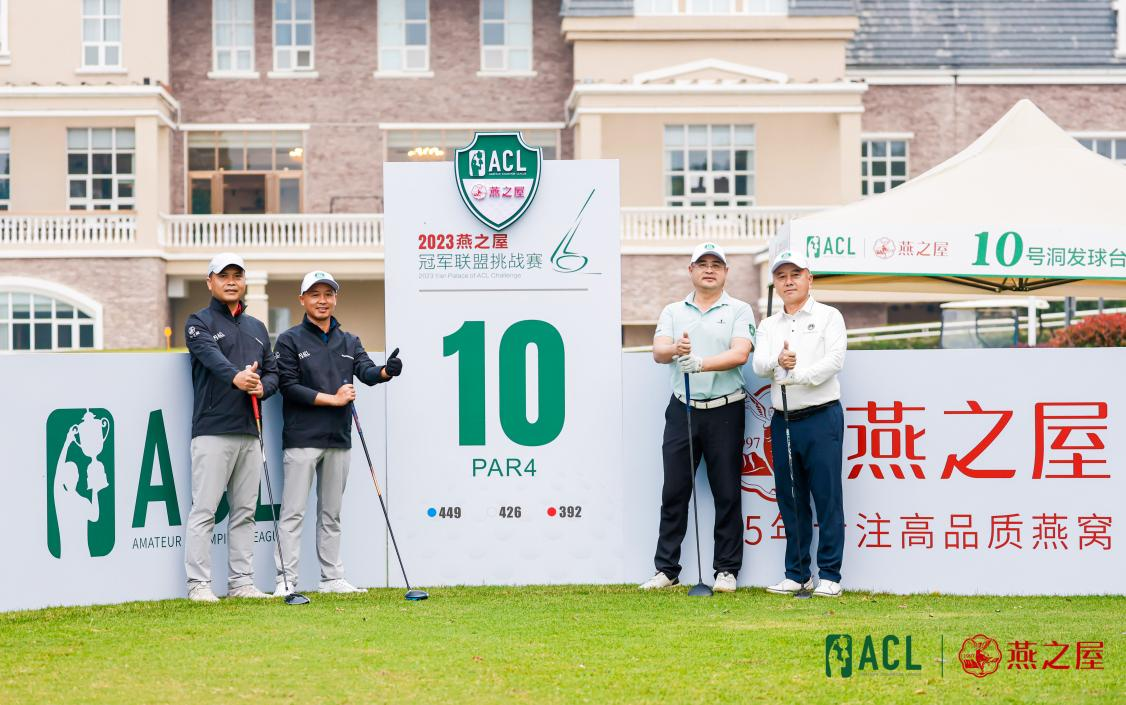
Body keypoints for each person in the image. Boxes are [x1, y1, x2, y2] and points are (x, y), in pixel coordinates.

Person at [273, 271, 403, 596]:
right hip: (302, 438)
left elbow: (367, 372)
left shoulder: (350, 341)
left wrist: (386, 371)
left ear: (335, 299)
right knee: (293, 512)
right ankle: (285, 581)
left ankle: (331, 578)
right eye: (315, 294)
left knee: (331, 514)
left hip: (339, 439)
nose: (322, 300)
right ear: (302, 299)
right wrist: (333, 399)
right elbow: (288, 387)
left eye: (328, 294)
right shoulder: (289, 340)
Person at [640, 242, 756, 593]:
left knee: (726, 492)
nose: (709, 269)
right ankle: (667, 569)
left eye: (715, 264)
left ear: (725, 272)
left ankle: (726, 570)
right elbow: (658, 351)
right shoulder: (673, 311)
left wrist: (701, 363)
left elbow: (740, 353)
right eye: (702, 264)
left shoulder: (739, 309)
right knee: (674, 491)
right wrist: (676, 349)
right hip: (684, 408)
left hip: (726, 409)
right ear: (691, 270)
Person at [184, 253, 279, 602]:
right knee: (205, 511)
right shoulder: (198, 321)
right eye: (223, 275)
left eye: (237, 275)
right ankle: (198, 585)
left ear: (244, 282)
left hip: (250, 431)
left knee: (245, 513)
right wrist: (237, 377)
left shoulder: (257, 328)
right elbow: (212, 359)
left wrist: (262, 387)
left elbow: (272, 372)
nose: (231, 281)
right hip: (212, 430)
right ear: (210, 281)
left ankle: (241, 583)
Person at [752, 251, 847, 598]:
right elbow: (759, 364)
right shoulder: (768, 325)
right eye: (781, 276)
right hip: (784, 420)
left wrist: (798, 375)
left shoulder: (829, 316)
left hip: (821, 417)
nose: (788, 281)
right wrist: (779, 361)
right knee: (790, 499)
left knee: (827, 497)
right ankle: (798, 574)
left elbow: (835, 360)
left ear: (810, 278)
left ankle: (830, 575)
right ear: (775, 283)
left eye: (795, 274)